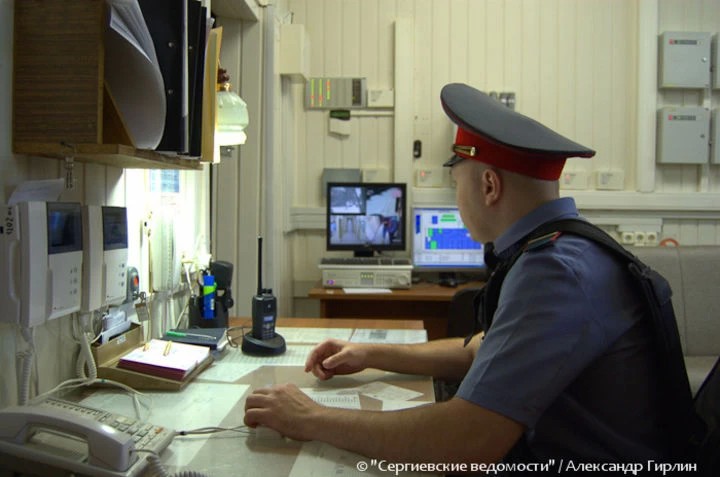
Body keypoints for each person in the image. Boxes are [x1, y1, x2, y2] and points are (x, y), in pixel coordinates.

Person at [244, 83, 679, 468]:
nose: (456, 199)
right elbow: (482, 351)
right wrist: (370, 353)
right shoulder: (559, 252)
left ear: (489, 186)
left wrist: (310, 418)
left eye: (456, 183)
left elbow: (462, 442)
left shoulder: (555, 272)